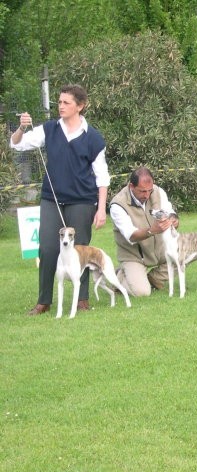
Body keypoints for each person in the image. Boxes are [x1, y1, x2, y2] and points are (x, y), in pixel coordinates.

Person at [10, 84, 110, 315]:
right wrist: (20, 128)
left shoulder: (93, 137)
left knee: (81, 249)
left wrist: (101, 208)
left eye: (66, 102)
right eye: (59, 102)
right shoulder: (49, 129)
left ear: (80, 106)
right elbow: (17, 144)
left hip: (83, 200)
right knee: (46, 247)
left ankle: (82, 299)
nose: (61, 106)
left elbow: (102, 176)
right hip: (51, 199)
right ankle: (44, 301)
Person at [109, 167, 178, 296]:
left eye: (149, 190)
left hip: (160, 250)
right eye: (142, 191)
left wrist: (174, 221)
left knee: (187, 253)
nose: (146, 195)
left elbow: (171, 213)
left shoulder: (158, 191)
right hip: (134, 255)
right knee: (142, 292)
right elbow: (131, 236)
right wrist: (152, 231)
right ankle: (119, 277)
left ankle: (153, 278)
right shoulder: (117, 205)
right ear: (131, 186)